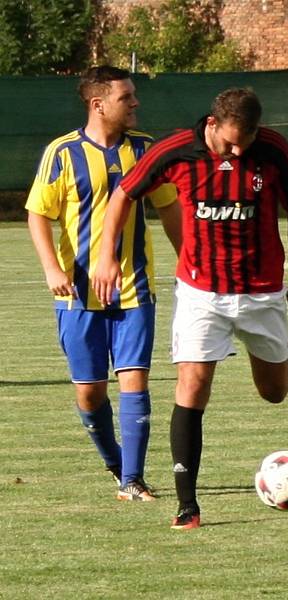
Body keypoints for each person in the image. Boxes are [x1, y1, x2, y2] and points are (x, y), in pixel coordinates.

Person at [92, 87, 288, 530]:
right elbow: (123, 195)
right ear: (212, 124)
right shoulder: (175, 151)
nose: (237, 150)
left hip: (260, 291)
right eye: (230, 141)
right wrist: (105, 254)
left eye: (244, 142)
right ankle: (187, 506)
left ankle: (286, 353)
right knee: (192, 385)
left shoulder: (272, 150)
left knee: (274, 394)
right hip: (201, 292)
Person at [26, 65, 181, 501]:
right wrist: (51, 270)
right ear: (98, 104)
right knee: (91, 393)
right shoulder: (62, 152)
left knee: (135, 381)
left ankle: (133, 480)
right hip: (76, 294)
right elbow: (38, 215)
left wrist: (189, 259)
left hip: (135, 288)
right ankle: (116, 465)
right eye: (126, 97)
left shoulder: (146, 151)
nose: (135, 103)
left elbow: (169, 207)